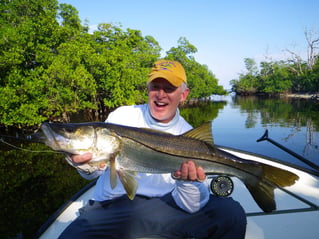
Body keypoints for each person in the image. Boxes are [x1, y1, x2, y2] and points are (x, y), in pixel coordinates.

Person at [59, 60, 247, 239]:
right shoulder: (122, 116)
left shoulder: (188, 134)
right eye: (155, 87)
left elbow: (190, 206)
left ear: (183, 95)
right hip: (112, 206)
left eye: (169, 88)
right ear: (147, 89)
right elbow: (93, 173)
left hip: (167, 207)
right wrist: (84, 166)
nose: (161, 94)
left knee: (231, 213)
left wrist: (187, 182)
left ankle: (253, 174)